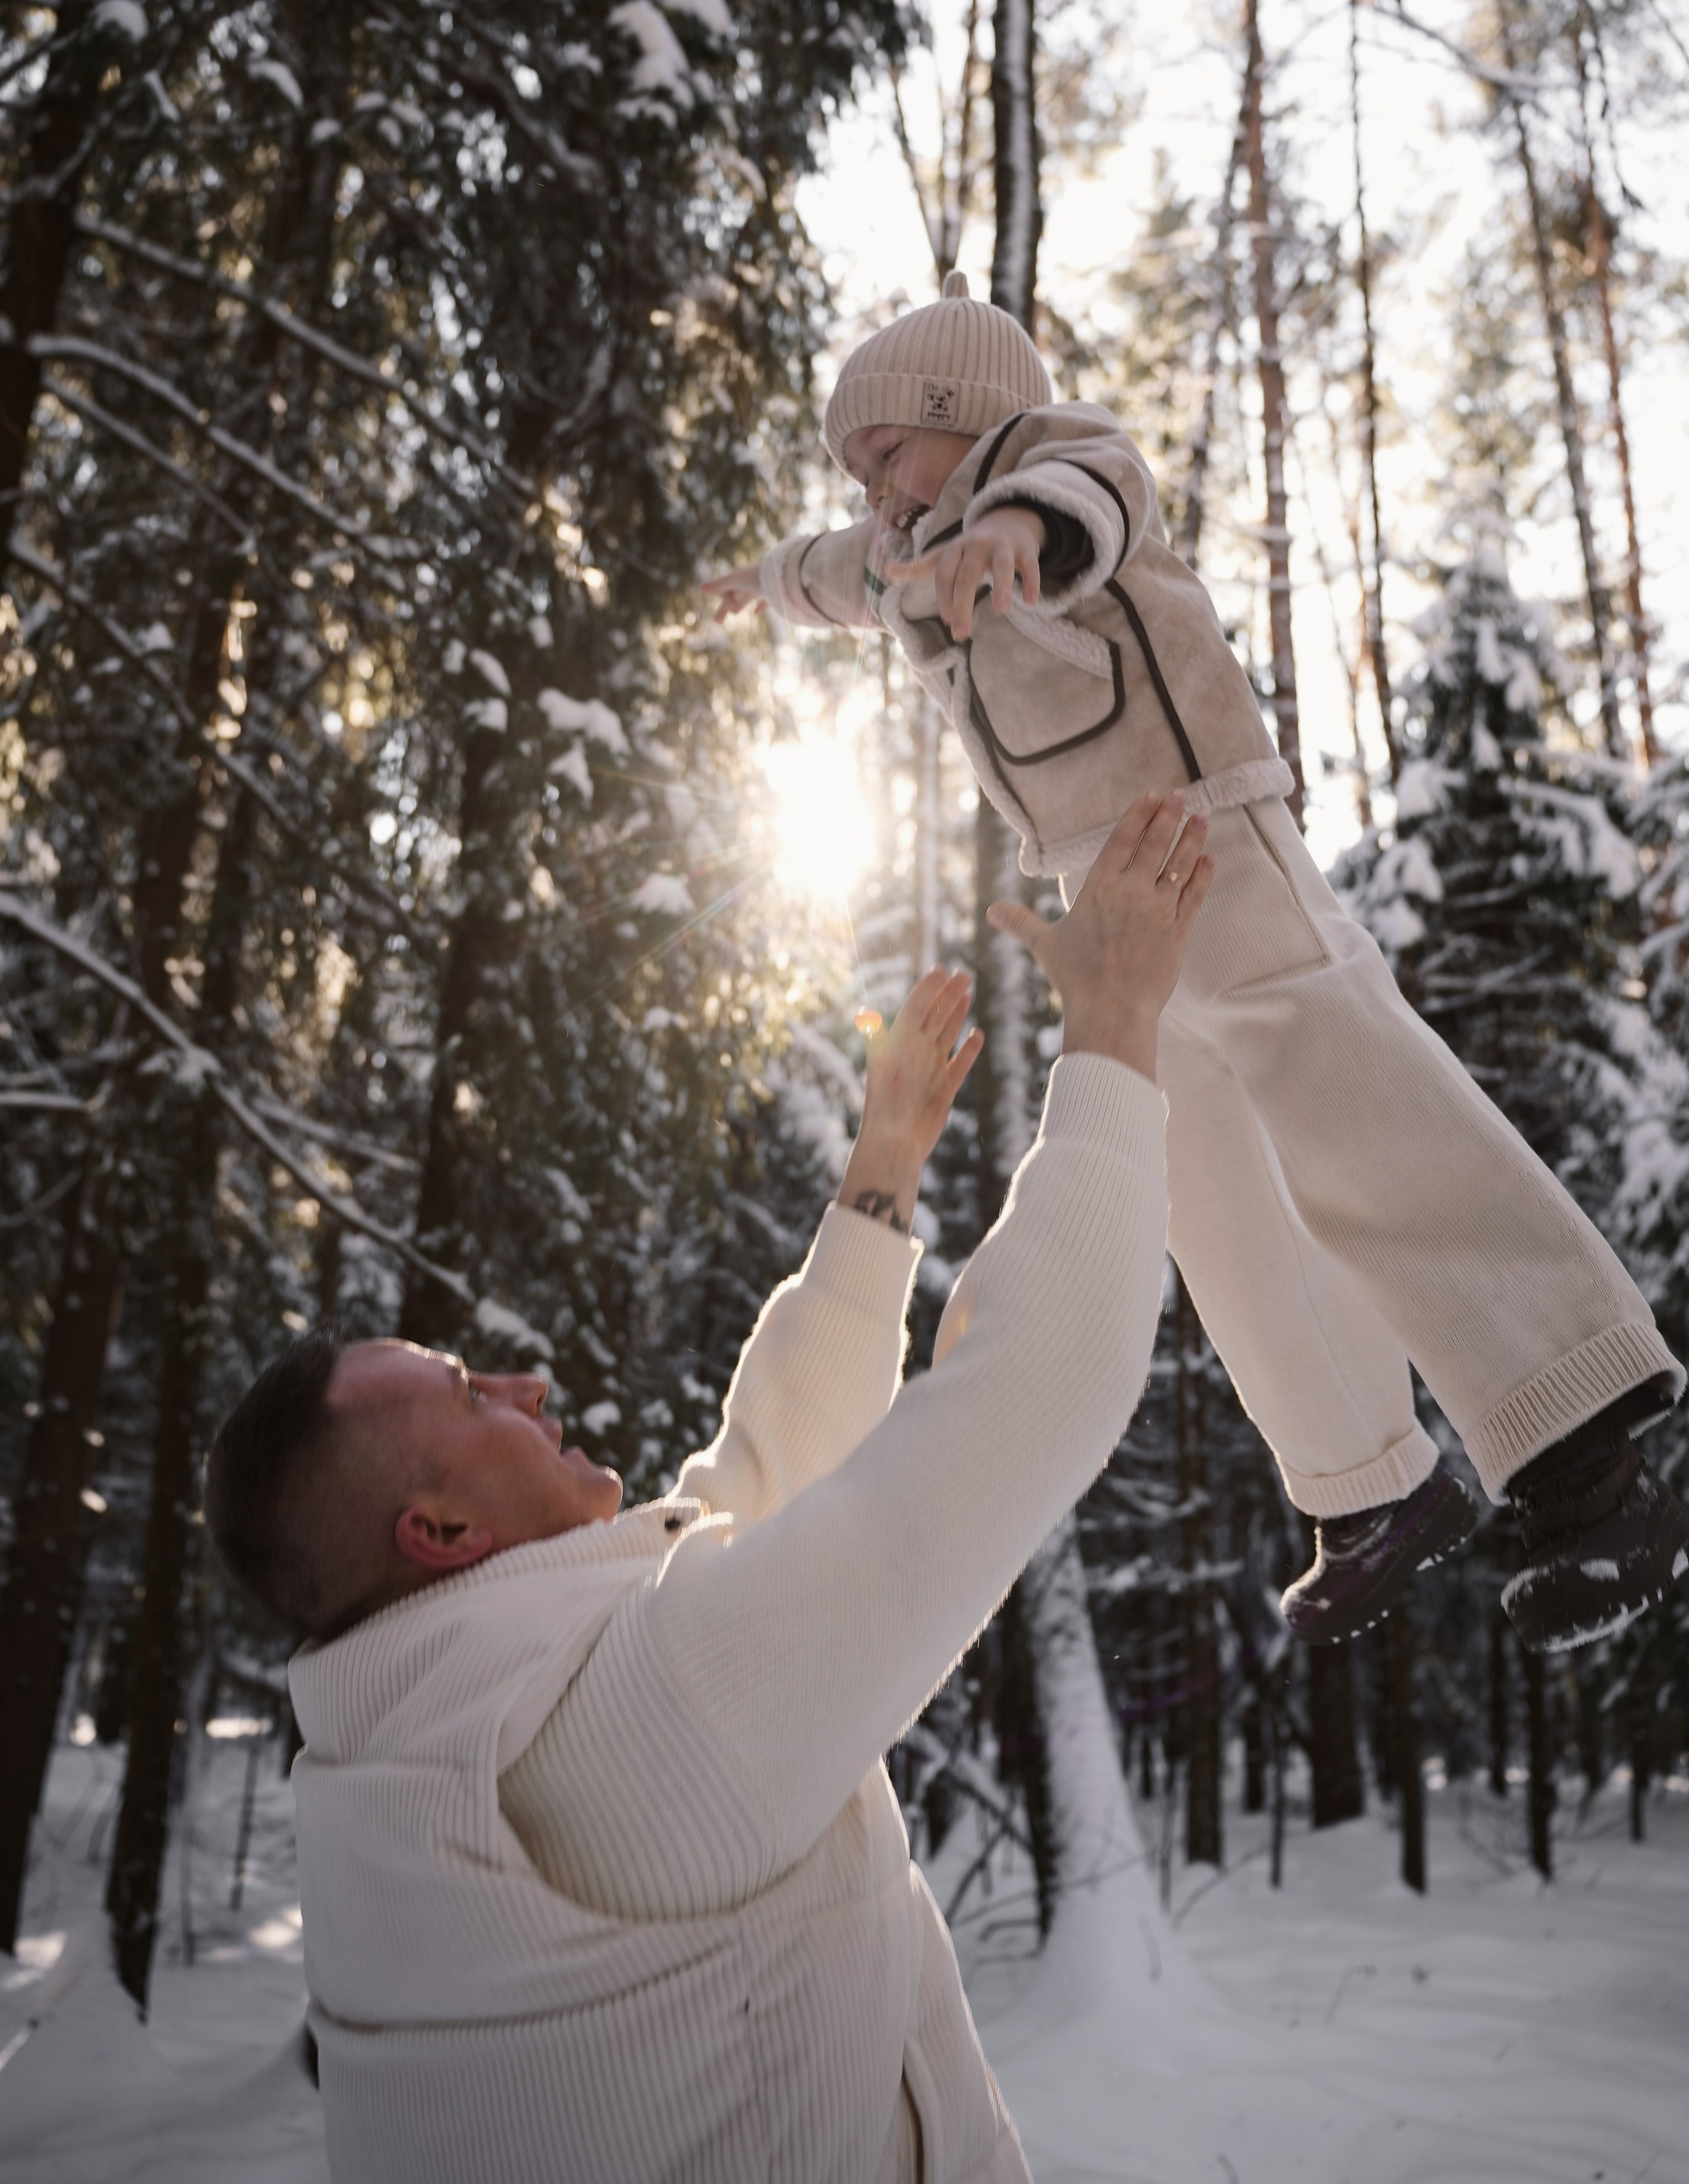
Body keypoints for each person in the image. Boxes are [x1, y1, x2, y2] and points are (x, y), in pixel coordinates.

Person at [205, 793, 1213, 2184]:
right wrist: (1113, 1028)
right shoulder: (620, 1745)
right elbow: (1042, 1384)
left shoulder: (424, 1759)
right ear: (437, 1530)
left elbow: (746, 1512)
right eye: (468, 1393)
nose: (525, 1386)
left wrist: (883, 1175)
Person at [703, 271, 1688, 1655]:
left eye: (887, 452)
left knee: (1351, 1105)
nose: (874, 492)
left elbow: (1083, 503)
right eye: (857, 475)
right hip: (1114, 897)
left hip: (1209, 828)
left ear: (960, 413)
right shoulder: (907, 549)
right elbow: (834, 571)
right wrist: (761, 586)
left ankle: (1585, 1445)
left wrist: (1011, 529)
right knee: (1210, 1192)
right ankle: (1367, 1487)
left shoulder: (1045, 461)